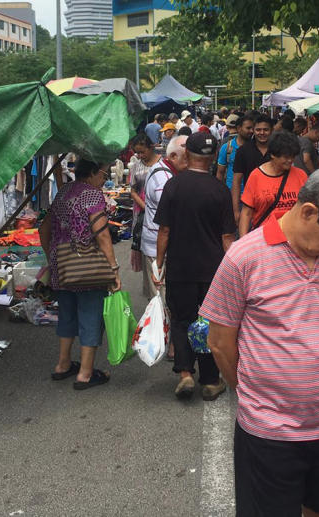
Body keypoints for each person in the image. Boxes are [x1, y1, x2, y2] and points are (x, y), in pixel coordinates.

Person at [201, 164, 319, 517]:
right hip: (270, 433)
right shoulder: (244, 258)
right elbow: (219, 342)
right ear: (309, 212)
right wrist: (253, 392)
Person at [153, 132, 235, 401]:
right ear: (212, 158)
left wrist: (159, 262)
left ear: (187, 155)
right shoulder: (220, 190)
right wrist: (234, 271)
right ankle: (211, 381)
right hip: (213, 270)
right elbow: (226, 237)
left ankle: (186, 373)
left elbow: (164, 230)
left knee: (181, 320)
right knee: (210, 322)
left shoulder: (174, 186)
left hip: (180, 266)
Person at [41, 159, 121, 390]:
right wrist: (114, 269)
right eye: (103, 175)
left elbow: (43, 229)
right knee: (90, 315)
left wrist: (52, 257)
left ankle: (63, 364)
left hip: (61, 265)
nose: (104, 180)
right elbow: (103, 235)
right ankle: (85, 373)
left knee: (67, 313)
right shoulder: (93, 195)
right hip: (87, 267)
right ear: (93, 173)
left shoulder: (63, 192)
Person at [239, 131, 309, 237]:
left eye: (292, 156)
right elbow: (246, 212)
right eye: (285, 157)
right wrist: (243, 241)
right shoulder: (256, 176)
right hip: (263, 238)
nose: (290, 160)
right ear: (272, 154)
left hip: (293, 238)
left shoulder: (301, 175)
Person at [142, 136, 186, 301]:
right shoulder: (164, 179)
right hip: (158, 245)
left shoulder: (163, 169)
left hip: (156, 242)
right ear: (173, 156)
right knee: (161, 298)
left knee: (159, 296)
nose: (190, 163)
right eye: (187, 159)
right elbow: (168, 223)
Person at [129, 134, 161, 290]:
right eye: (137, 153)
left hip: (160, 213)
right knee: (146, 253)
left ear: (151, 148)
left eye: (143, 152)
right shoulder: (136, 166)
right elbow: (133, 190)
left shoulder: (162, 163)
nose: (140, 156)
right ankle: (150, 290)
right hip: (142, 214)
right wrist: (145, 206)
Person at [231, 114, 274, 225]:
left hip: (275, 205)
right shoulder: (243, 151)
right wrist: (236, 210)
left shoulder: (278, 150)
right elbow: (236, 182)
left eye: (266, 130)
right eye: (258, 130)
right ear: (253, 131)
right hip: (250, 206)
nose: (262, 133)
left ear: (272, 130)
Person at [216, 115, 253, 191]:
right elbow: (220, 172)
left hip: (252, 194)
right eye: (248, 128)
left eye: (252, 128)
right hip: (231, 193)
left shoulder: (256, 148)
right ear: (239, 128)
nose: (251, 131)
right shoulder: (226, 148)